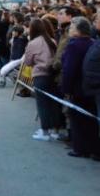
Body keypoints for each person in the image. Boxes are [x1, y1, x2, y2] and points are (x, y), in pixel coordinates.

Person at [61, 17, 99, 159]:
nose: (69, 30)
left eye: (71, 28)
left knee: (77, 119)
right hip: (89, 88)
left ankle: (81, 148)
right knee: (91, 119)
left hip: (77, 87)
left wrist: (66, 89)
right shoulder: (92, 42)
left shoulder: (74, 45)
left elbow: (69, 69)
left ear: (78, 31)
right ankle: (94, 148)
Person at [23, 19, 63, 141]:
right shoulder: (52, 41)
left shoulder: (32, 43)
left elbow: (28, 62)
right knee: (54, 103)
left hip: (40, 75)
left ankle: (45, 131)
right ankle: (56, 130)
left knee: (42, 104)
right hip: (53, 74)